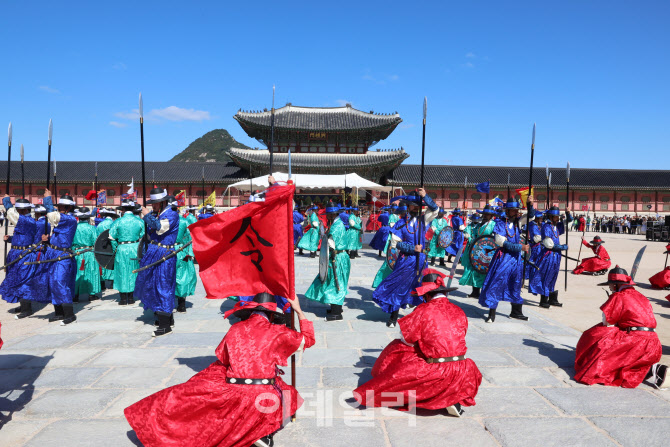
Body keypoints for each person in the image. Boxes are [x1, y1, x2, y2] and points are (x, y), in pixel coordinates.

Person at [124, 292, 315, 447]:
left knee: (196, 389)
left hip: (234, 390)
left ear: (250, 311)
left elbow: (223, 358)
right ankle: (263, 432)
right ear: (273, 315)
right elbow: (308, 340)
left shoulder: (235, 329)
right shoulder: (279, 332)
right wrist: (298, 311)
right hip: (263, 394)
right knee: (288, 394)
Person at [354, 269, 482, 417]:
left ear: (426, 295)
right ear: (445, 292)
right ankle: (452, 397)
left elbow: (406, 340)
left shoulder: (422, 310)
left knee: (398, 346)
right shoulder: (459, 310)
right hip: (464, 369)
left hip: (437, 371)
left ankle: (389, 384)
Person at [575, 266, 667, 389]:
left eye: (611, 285)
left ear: (615, 284)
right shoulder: (641, 296)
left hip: (636, 341)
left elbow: (607, 322)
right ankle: (652, 369)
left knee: (596, 335)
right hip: (654, 343)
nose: (610, 287)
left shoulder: (618, 296)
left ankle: (652, 369)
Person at [373, 190, 439, 327]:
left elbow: (435, 209)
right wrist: (412, 248)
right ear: (408, 206)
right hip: (406, 260)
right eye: (413, 205)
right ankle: (393, 317)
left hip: (421, 261)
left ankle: (419, 319)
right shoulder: (400, 224)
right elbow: (395, 244)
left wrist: (425, 196)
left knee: (420, 288)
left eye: (418, 205)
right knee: (399, 286)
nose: (416, 208)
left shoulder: (424, 220)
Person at [135, 189, 180, 336]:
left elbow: (161, 228)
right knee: (153, 284)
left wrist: (147, 214)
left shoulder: (171, 214)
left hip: (165, 254)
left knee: (164, 286)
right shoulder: (161, 214)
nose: (153, 206)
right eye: (152, 204)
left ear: (162, 202)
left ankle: (165, 325)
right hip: (156, 252)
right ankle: (165, 318)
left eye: (155, 204)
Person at [478, 198, 531, 323]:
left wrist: (530, 205)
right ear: (508, 211)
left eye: (517, 210)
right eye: (514, 210)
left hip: (516, 259)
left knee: (516, 283)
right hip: (504, 257)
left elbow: (530, 216)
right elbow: (501, 242)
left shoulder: (518, 222)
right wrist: (520, 247)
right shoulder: (500, 223)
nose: (517, 212)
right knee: (496, 282)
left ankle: (516, 312)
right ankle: (491, 313)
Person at [305, 203, 350, 321]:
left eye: (329, 215)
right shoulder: (336, 223)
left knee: (336, 283)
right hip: (338, 256)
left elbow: (331, 243)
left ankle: (336, 312)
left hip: (338, 258)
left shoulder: (336, 226)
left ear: (333, 214)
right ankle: (336, 307)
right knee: (332, 281)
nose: (328, 217)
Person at [41, 190, 79, 325]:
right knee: (52, 282)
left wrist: (47, 200)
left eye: (62, 206)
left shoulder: (69, 219)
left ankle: (69, 314)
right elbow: (60, 236)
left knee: (60, 281)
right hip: (54, 253)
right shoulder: (62, 220)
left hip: (63, 255)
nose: (59, 208)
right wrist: (48, 240)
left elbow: (51, 215)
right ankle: (58, 312)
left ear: (68, 208)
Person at [0, 196, 37, 318]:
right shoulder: (24, 221)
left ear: (25, 210)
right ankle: (22, 305)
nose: (18, 211)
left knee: (23, 280)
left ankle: (27, 309)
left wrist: (6, 201)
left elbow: (11, 214)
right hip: (15, 252)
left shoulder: (28, 221)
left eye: (19, 209)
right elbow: (22, 237)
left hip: (24, 255)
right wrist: (10, 239)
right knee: (16, 279)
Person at [529, 205, 572, 308]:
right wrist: (563, 247)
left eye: (558, 216)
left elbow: (569, 222)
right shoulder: (546, 227)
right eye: (556, 216)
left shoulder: (556, 226)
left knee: (553, 275)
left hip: (556, 256)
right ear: (551, 217)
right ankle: (543, 299)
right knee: (546, 276)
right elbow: (549, 245)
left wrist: (568, 213)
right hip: (548, 255)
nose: (558, 218)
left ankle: (552, 298)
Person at [110, 199, 145, 305]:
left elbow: (111, 237)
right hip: (135, 247)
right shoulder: (140, 221)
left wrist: (115, 248)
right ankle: (131, 297)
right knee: (133, 271)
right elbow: (143, 237)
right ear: (134, 209)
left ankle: (123, 298)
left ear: (123, 209)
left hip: (122, 247)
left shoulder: (117, 222)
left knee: (121, 271)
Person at [460, 205, 497, 298]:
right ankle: (475, 292)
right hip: (477, 251)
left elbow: (494, 239)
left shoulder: (494, 225)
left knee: (485, 272)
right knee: (475, 270)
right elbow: (475, 235)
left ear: (491, 215)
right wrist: (470, 238)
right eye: (484, 214)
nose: (485, 216)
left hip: (488, 252)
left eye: (487, 214)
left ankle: (485, 293)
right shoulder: (479, 224)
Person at [172, 197, 196, 313]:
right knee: (182, 277)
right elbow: (189, 238)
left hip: (166, 251)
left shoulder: (163, 221)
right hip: (181, 250)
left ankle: (170, 303)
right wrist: (190, 253)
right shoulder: (184, 221)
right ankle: (182, 304)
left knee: (168, 277)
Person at [73, 207, 101, 302]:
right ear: (88, 218)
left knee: (77, 274)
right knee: (91, 272)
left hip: (77, 253)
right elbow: (96, 241)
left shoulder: (74, 228)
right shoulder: (92, 228)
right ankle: (91, 294)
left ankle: (75, 295)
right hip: (89, 252)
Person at [96, 208, 118, 292]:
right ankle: (112, 282)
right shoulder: (114, 224)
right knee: (112, 261)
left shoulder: (100, 224)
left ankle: (102, 283)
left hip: (101, 246)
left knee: (102, 261)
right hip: (112, 245)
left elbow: (97, 237)